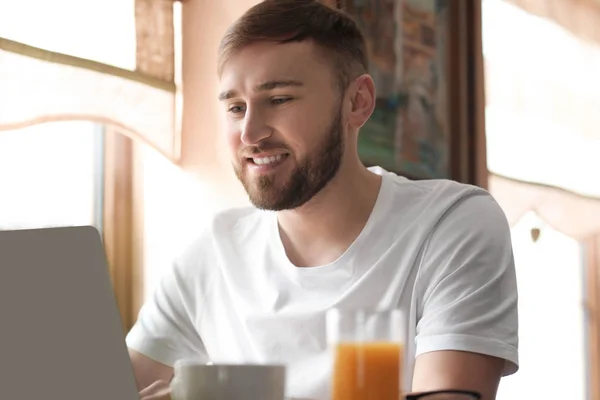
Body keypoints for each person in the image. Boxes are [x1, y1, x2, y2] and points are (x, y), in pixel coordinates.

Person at [126, 1, 519, 399]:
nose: (250, 133)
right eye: (235, 107)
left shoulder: (452, 224)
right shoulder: (214, 254)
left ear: (357, 102)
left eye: (279, 99)